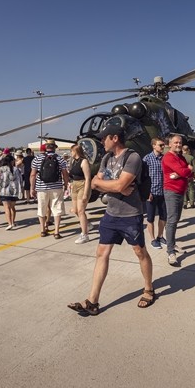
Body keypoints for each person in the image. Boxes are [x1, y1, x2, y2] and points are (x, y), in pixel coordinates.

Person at [67, 125, 154, 316]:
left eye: (103, 138)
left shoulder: (132, 157)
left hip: (130, 214)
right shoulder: (106, 158)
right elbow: (97, 183)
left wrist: (114, 186)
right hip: (111, 213)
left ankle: (148, 289)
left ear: (114, 138)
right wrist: (114, 187)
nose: (101, 141)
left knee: (140, 252)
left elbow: (119, 184)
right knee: (101, 253)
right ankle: (92, 301)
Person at [162, 134, 192, 266]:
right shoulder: (168, 157)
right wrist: (184, 172)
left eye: (180, 143)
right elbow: (186, 171)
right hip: (172, 192)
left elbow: (191, 172)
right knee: (172, 220)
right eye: (175, 143)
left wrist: (181, 173)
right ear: (170, 144)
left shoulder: (180, 157)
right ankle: (170, 252)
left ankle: (172, 244)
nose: (178, 145)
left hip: (181, 191)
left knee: (176, 220)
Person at [30, 142, 68, 238]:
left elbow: (33, 174)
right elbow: (65, 173)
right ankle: (56, 232)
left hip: (41, 188)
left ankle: (43, 230)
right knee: (57, 209)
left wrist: (32, 188)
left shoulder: (37, 159)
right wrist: (66, 184)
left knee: (41, 208)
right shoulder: (60, 159)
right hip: (56, 187)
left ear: (45, 148)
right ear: (55, 148)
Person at [142, 137, 167, 249]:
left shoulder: (164, 159)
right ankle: (152, 239)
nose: (163, 147)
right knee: (150, 218)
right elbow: (143, 177)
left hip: (163, 193)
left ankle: (160, 236)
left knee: (163, 216)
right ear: (153, 146)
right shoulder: (147, 159)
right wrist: (147, 192)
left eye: (163, 145)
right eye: (160, 145)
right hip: (151, 193)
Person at [68, 144, 92, 243]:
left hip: (83, 185)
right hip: (75, 185)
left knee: (81, 210)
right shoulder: (74, 161)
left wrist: (86, 193)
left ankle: (84, 234)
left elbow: (87, 178)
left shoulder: (84, 161)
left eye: (72, 151)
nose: (71, 153)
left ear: (76, 151)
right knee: (75, 210)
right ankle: (87, 225)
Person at [0, 154, 22, 230]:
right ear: (11, 161)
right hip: (14, 191)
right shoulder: (16, 169)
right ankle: (12, 222)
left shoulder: (1, 169)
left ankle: (9, 223)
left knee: (7, 208)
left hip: (4, 190)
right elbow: (19, 179)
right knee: (12, 207)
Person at [181, 144, 195, 208]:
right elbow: (194, 168)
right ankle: (192, 203)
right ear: (188, 150)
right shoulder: (191, 157)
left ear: (182, 150)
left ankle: (185, 203)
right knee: (191, 189)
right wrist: (194, 174)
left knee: (184, 190)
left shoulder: (180, 157)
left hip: (182, 175)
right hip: (189, 175)